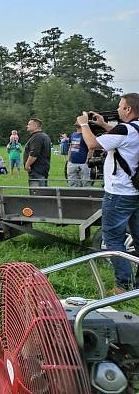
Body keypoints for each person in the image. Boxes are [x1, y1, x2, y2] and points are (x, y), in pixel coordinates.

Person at [75, 94, 139, 292]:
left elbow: (93, 144)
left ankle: (123, 285)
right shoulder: (133, 129)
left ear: (128, 109)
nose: (118, 109)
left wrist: (84, 124)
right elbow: (123, 137)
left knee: (112, 239)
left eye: (120, 106)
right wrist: (103, 124)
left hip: (119, 193)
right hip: (136, 192)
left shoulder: (124, 129)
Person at [24, 118, 52, 187]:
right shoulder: (44, 136)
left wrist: (27, 165)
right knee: (42, 192)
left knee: (38, 193)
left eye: (29, 124)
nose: (27, 126)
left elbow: (34, 153)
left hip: (37, 170)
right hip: (42, 169)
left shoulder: (37, 137)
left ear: (36, 126)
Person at [67, 123, 91, 187]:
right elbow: (70, 147)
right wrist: (68, 160)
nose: (76, 122)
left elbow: (91, 148)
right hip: (72, 163)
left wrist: (87, 160)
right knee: (72, 184)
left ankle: (87, 197)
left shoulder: (86, 135)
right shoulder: (73, 134)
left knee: (86, 184)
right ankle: (74, 196)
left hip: (83, 163)